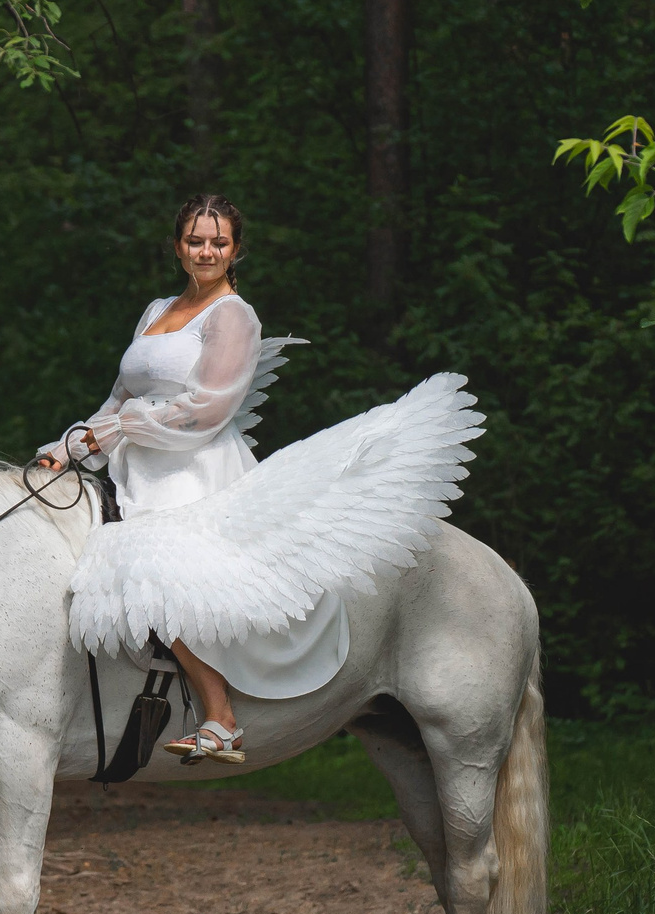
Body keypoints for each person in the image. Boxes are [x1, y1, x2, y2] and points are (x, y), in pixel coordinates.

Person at [38, 193, 484, 764]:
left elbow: (207, 408)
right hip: (136, 456)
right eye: (195, 240)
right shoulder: (155, 310)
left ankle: (220, 718)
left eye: (218, 242)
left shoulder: (232, 315)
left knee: (149, 574)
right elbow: (120, 396)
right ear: (178, 246)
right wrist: (73, 443)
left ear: (235, 250)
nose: (206, 251)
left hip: (191, 462)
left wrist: (121, 430)